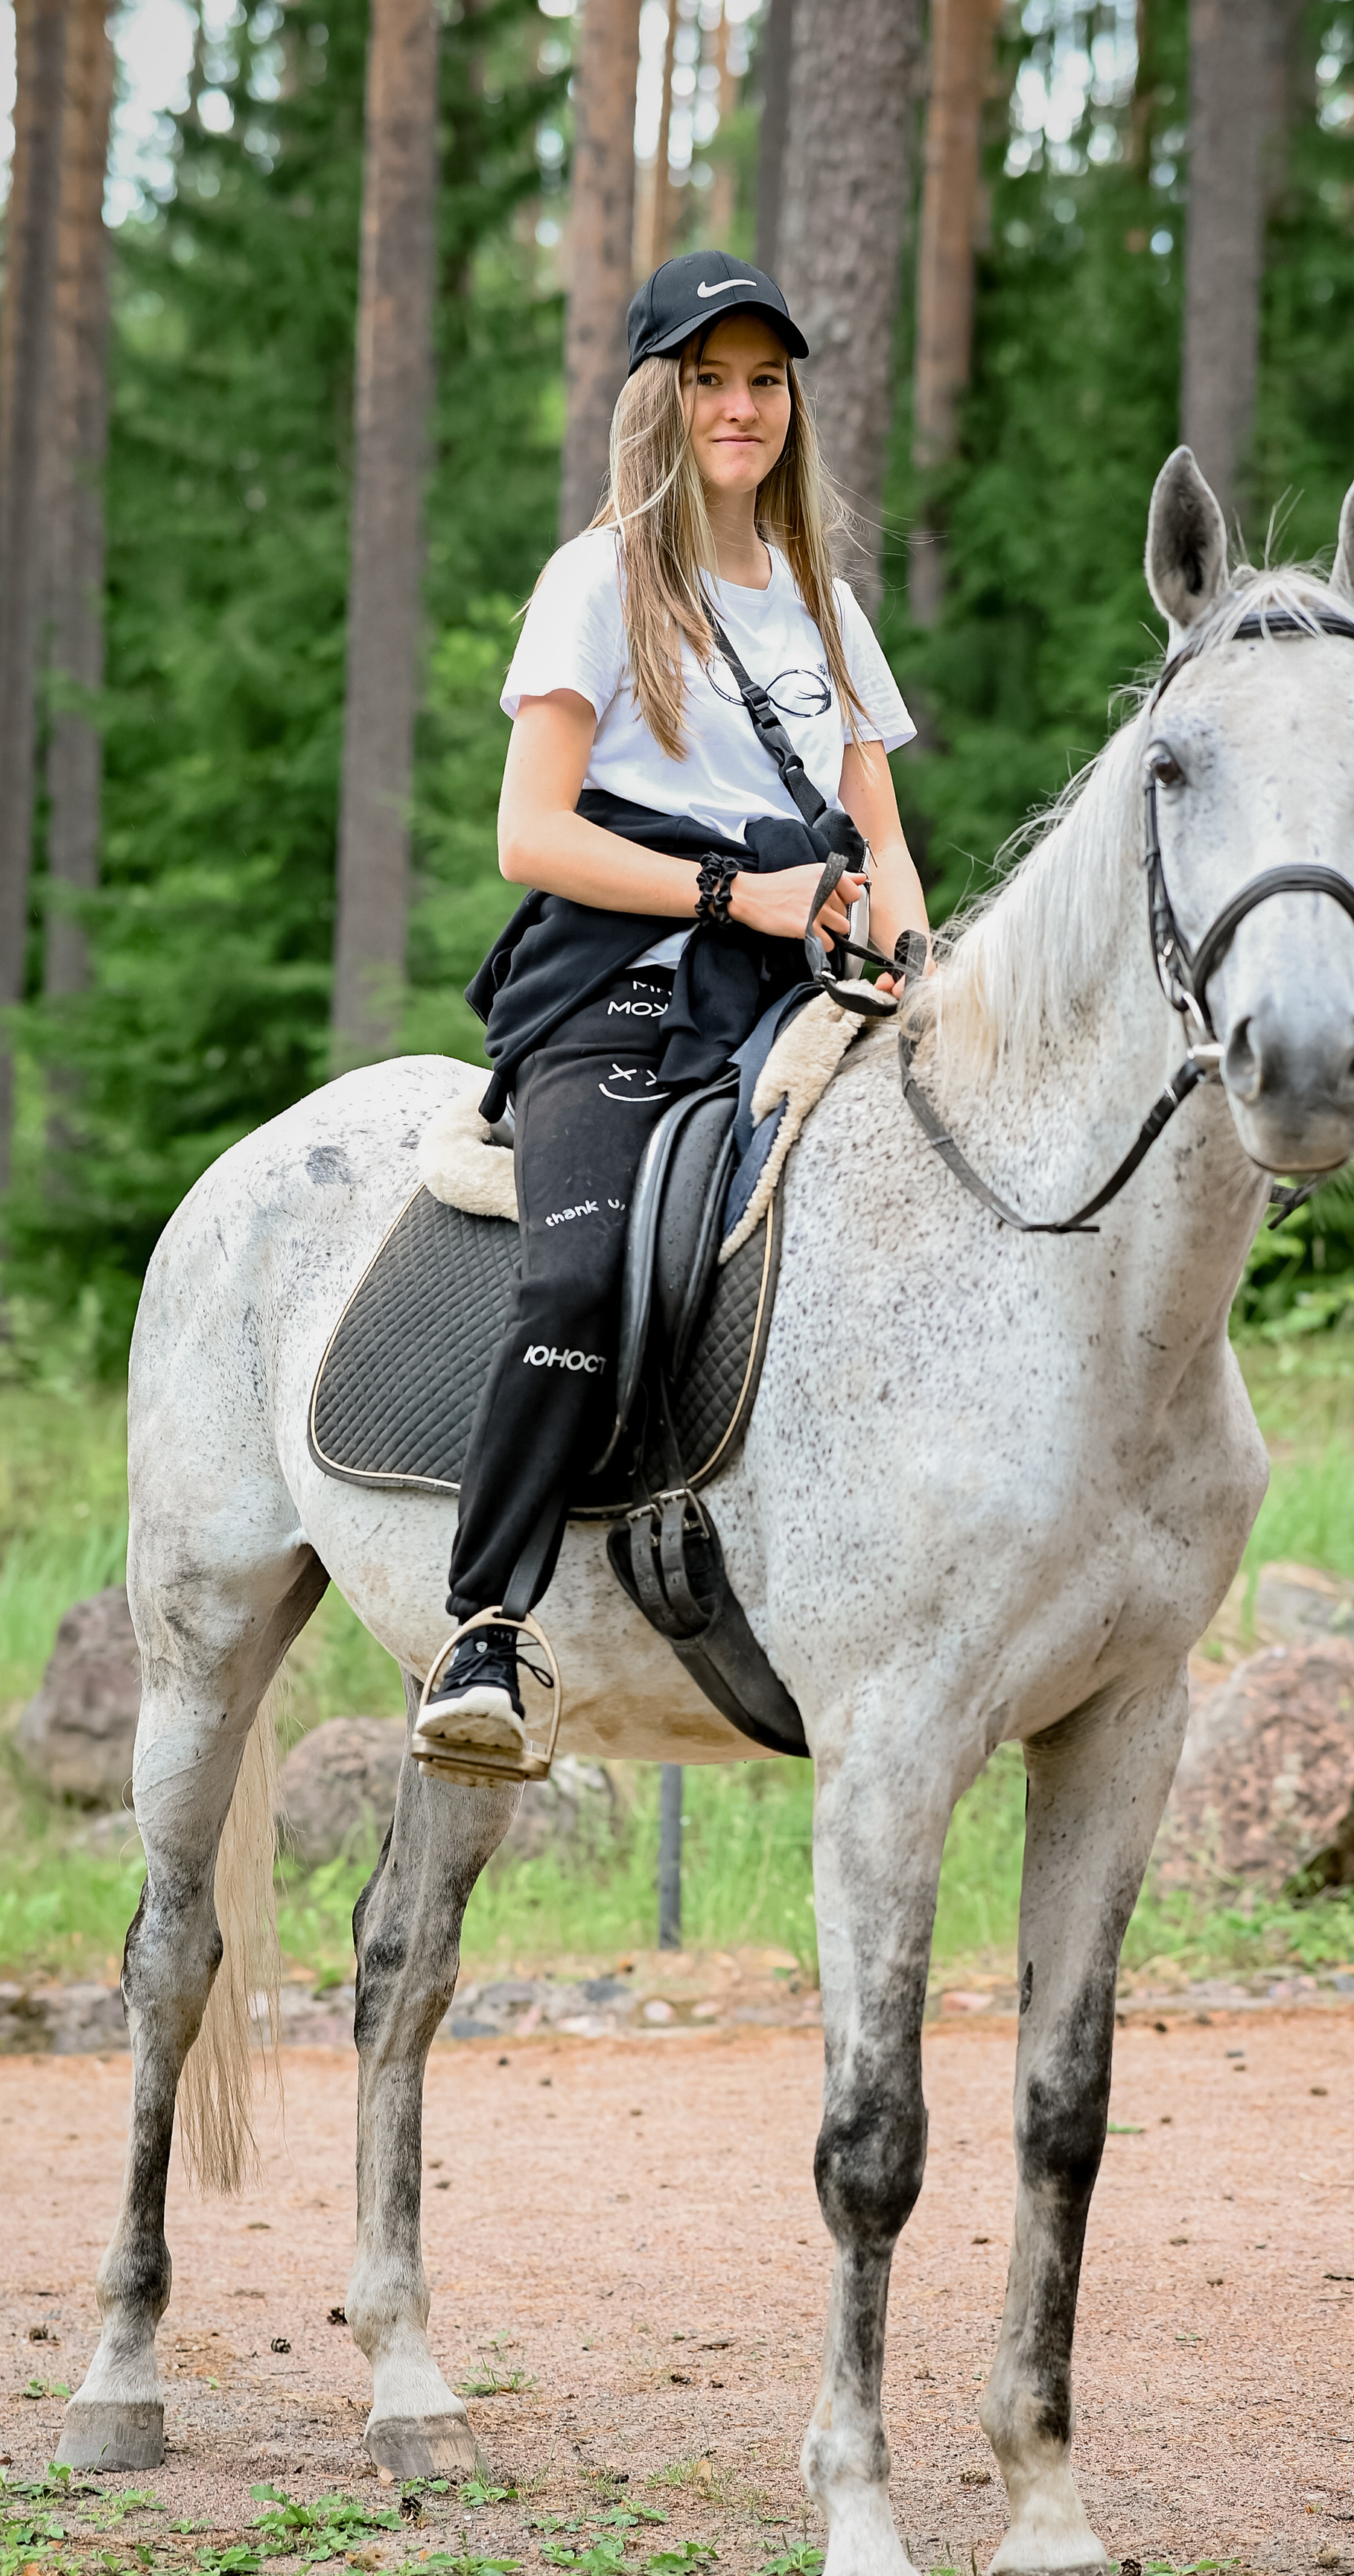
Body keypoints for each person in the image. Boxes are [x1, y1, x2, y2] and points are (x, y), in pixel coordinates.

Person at [414, 250, 930, 1765]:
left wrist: (909, 955)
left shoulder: (824, 608)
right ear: (659, 397)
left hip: (803, 988)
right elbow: (530, 835)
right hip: (624, 990)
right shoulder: (597, 583)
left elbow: (881, 833)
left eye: (765, 379)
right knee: (575, 1288)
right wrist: (728, 898)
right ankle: (488, 1630)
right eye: (708, 377)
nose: (740, 406)